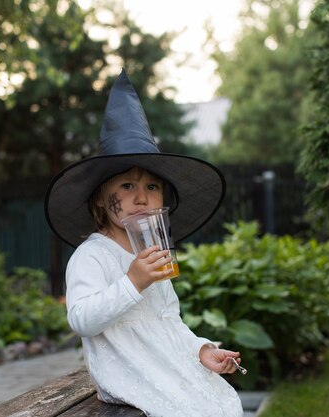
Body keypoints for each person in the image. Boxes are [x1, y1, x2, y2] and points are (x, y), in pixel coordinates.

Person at [45, 69, 243, 417]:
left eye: (152, 188)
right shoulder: (93, 255)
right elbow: (81, 320)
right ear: (100, 201)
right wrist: (132, 281)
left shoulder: (151, 255)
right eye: (127, 186)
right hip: (125, 371)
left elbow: (167, 320)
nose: (141, 197)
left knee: (224, 404)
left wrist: (200, 349)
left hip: (163, 362)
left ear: (163, 203)